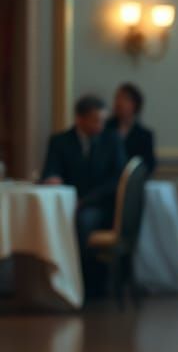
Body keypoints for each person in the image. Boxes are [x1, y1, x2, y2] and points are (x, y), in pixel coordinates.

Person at [41, 94, 126, 294]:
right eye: (96, 120)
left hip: (99, 204)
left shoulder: (111, 140)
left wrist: (85, 201)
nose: (101, 125)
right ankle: (55, 282)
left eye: (103, 120)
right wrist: (53, 178)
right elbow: (50, 171)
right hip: (65, 203)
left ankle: (86, 283)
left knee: (84, 221)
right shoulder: (60, 141)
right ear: (80, 119)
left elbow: (117, 179)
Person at [107, 82, 157, 176]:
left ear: (135, 104)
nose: (119, 103)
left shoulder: (144, 135)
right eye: (117, 98)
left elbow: (149, 165)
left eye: (125, 99)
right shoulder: (104, 129)